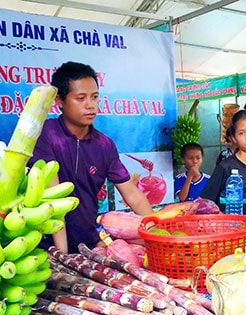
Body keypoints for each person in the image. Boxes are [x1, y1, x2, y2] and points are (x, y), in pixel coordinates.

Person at [29, 61, 153, 254]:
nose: (90, 105)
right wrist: (62, 255)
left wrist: (157, 231)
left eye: (95, 97)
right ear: (59, 101)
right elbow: (54, 197)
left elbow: (131, 193)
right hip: (45, 247)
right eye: (81, 98)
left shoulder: (104, 145)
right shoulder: (46, 135)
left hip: (87, 245)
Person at [200, 110, 246, 217]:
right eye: (241, 133)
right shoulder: (226, 167)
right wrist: (224, 218)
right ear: (234, 138)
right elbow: (203, 203)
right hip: (231, 229)